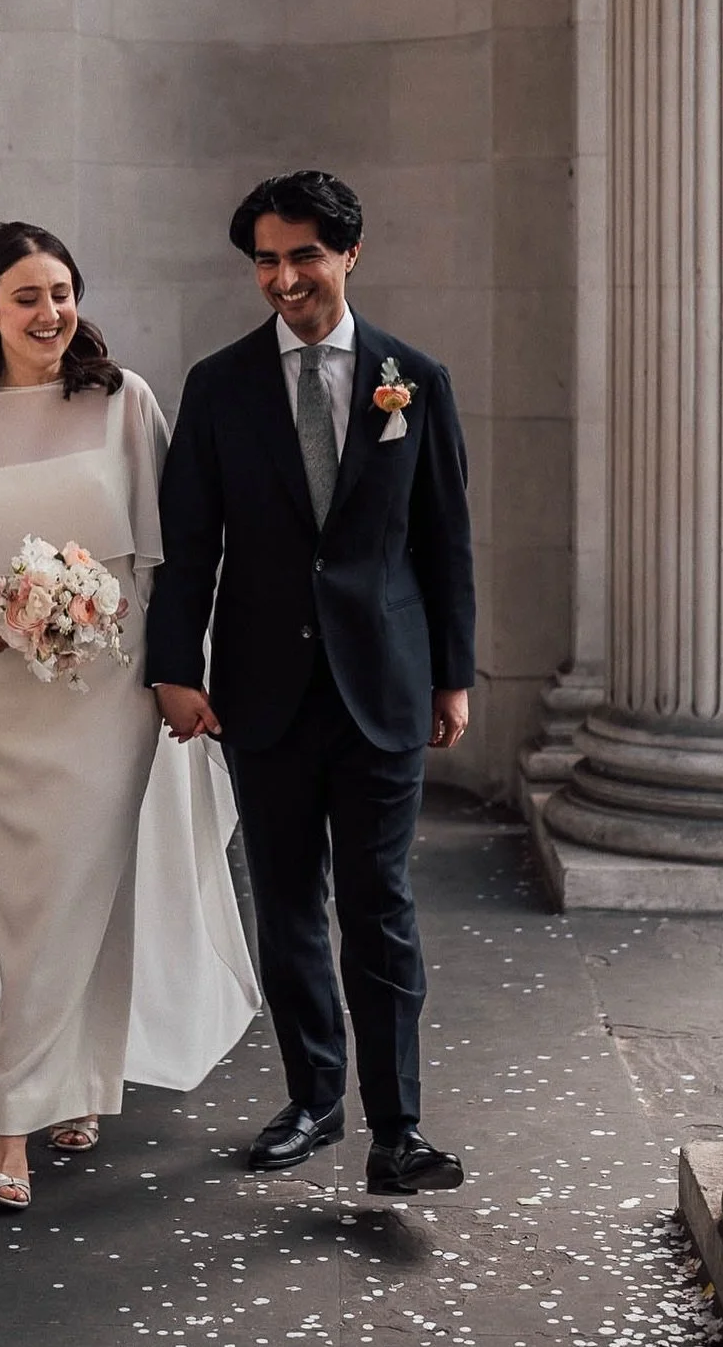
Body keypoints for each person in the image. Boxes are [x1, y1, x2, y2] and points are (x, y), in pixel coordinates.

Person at [0, 222, 258, 1212]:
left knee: (92, 888)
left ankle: (20, 1120)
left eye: (62, 291)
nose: (49, 312)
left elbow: (170, 550)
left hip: (111, 689)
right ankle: (49, 1089)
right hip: (6, 690)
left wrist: (174, 671)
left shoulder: (124, 401)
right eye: (25, 296)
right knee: (38, 899)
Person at [145, 171, 476, 1197]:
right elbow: (188, 545)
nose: (284, 277)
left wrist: (453, 678)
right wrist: (173, 669)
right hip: (263, 688)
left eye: (303, 257)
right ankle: (314, 1101)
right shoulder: (219, 385)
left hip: (384, 681)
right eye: (266, 260)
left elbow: (445, 543)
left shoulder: (415, 379)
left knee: (377, 905)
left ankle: (399, 1132)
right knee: (287, 902)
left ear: (350, 253)